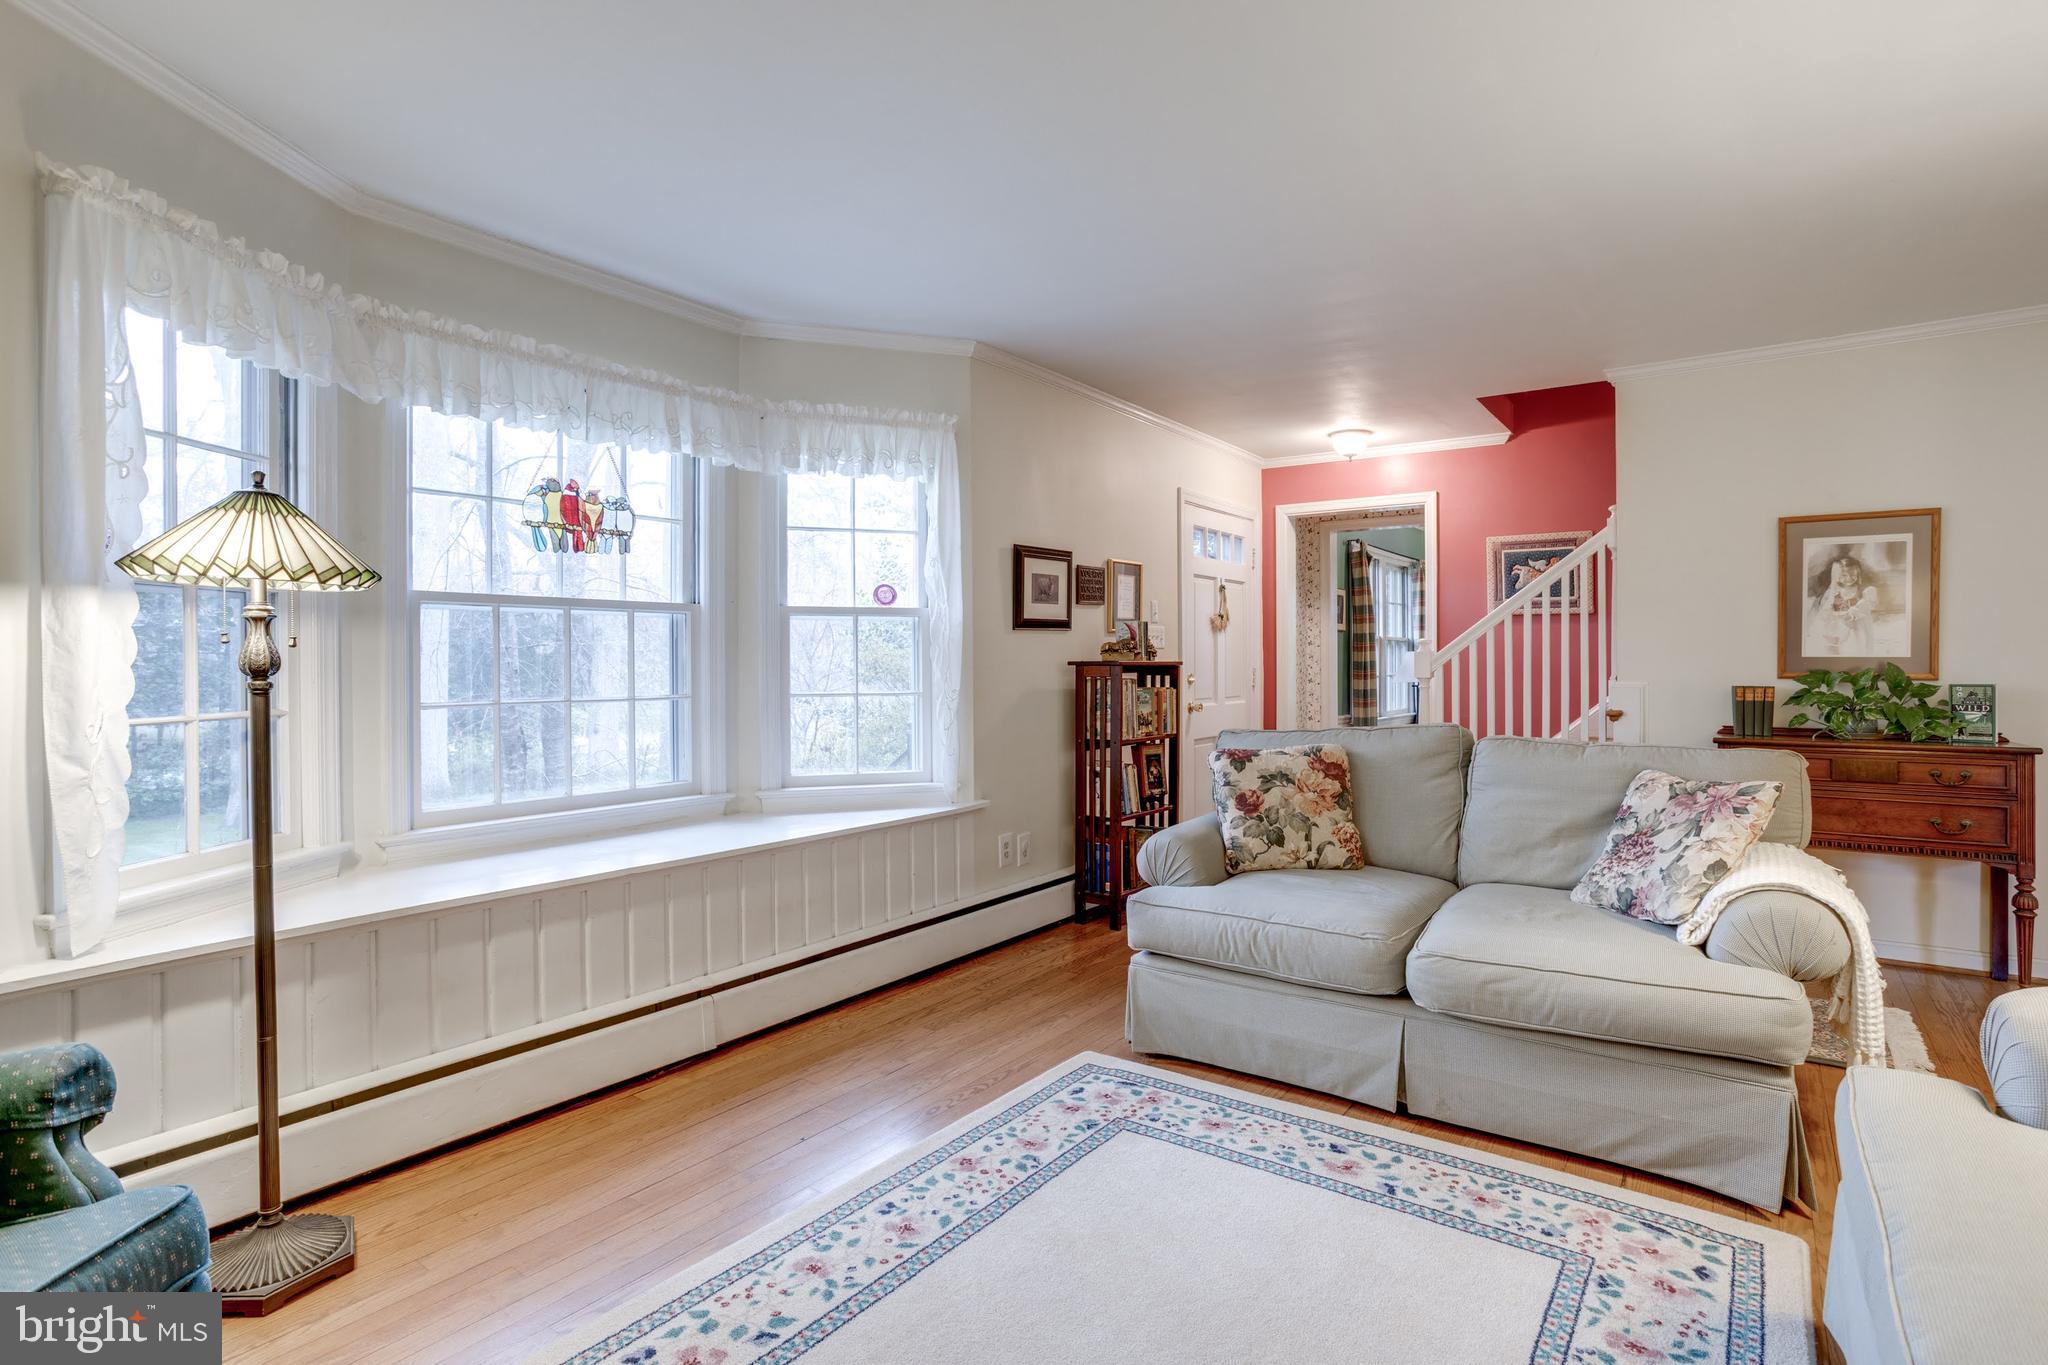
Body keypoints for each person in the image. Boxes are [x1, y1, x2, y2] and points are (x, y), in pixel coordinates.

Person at [1807, 553, 1877, 656]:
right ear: (1837, 576)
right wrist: (1838, 610)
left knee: (1857, 639)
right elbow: (1831, 607)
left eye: (1853, 575)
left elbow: (1865, 606)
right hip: (1840, 619)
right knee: (1834, 634)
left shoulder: (1859, 589)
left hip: (1855, 621)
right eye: (1844, 575)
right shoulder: (1836, 591)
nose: (1849, 578)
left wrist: (1857, 608)